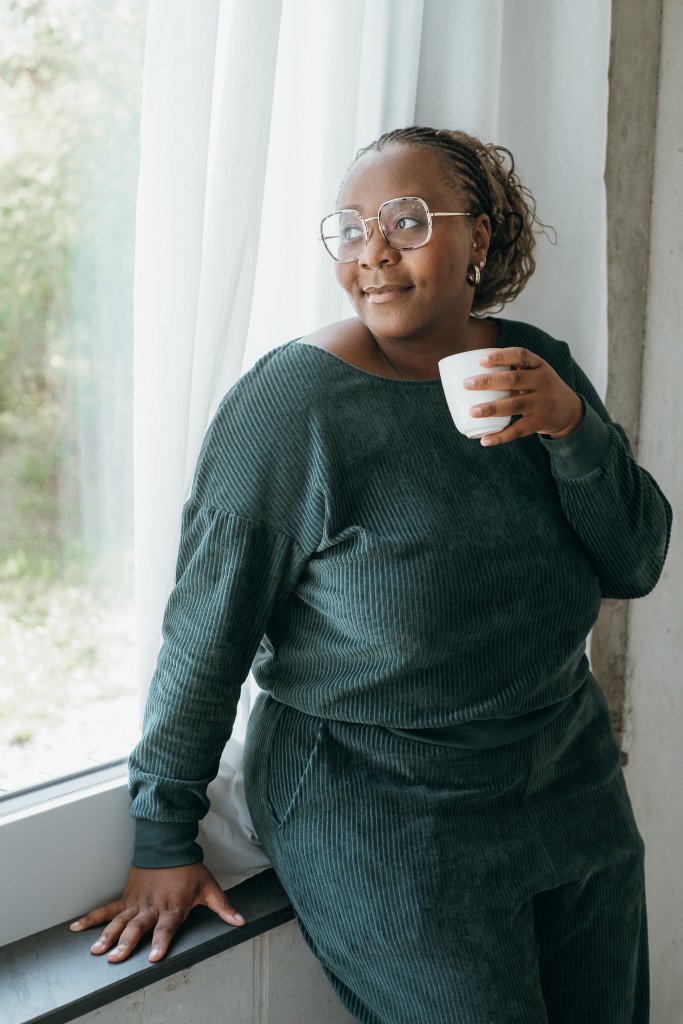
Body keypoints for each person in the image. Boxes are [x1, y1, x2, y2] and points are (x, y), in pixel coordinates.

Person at [70, 126, 672, 1023]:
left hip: (566, 776)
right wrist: (165, 836)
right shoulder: (291, 409)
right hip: (382, 810)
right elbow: (206, 630)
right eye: (349, 229)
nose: (373, 251)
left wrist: (572, 425)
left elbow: (635, 559)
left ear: (481, 238)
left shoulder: (530, 366)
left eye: (407, 220)